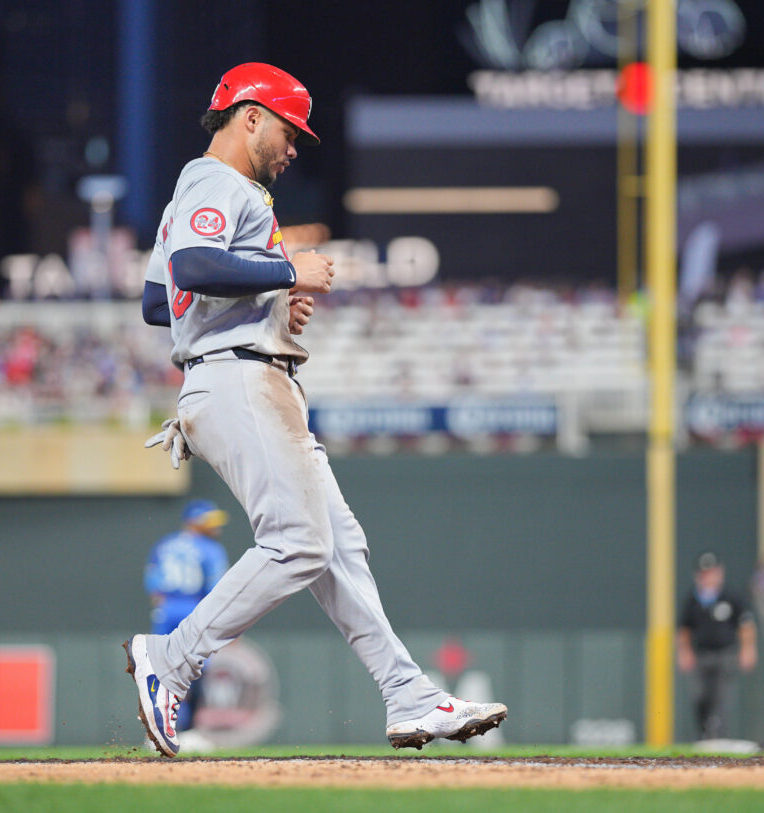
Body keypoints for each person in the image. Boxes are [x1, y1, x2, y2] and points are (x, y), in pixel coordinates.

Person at [124, 62, 507, 757]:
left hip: (243, 377)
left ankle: (409, 693)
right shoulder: (216, 180)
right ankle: (171, 660)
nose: (294, 146)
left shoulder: (209, 189)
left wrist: (264, 295)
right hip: (238, 382)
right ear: (248, 116)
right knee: (299, 543)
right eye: (288, 129)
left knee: (339, 544)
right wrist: (286, 271)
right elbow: (192, 272)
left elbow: (159, 303)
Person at [145, 499, 231, 733]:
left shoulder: (165, 545)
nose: (216, 527)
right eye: (210, 522)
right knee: (197, 670)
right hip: (195, 608)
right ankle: (189, 730)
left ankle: (160, 730)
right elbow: (216, 588)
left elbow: (152, 582)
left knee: (162, 669)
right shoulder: (211, 549)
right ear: (194, 522)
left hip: (167, 609)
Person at [677, 551, 757, 740]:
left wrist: (748, 649)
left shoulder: (730, 596)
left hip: (725, 654)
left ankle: (719, 738)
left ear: (719, 572)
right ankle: (703, 735)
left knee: (721, 698)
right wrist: (684, 653)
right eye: (704, 573)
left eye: (711, 572)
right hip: (701, 656)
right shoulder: (692, 599)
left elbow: (746, 625)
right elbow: (683, 629)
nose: (707, 577)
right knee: (699, 696)